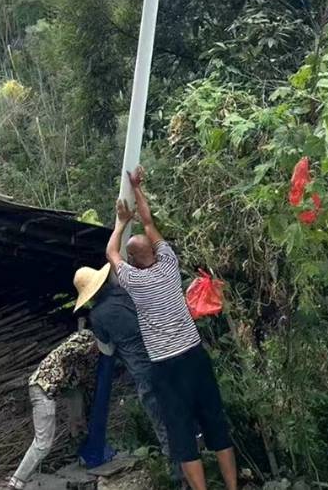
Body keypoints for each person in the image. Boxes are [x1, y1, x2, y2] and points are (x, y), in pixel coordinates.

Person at [106, 166, 237, 490]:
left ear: (134, 261)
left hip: (166, 367)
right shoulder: (168, 263)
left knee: (182, 436)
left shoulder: (134, 281)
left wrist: (121, 222)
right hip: (194, 357)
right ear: (154, 251)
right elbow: (150, 223)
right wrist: (137, 188)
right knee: (216, 425)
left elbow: (110, 252)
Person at [73, 263, 174, 474]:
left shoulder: (97, 315)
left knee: (162, 423)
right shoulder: (124, 293)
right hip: (166, 356)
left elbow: (107, 349)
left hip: (144, 371)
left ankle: (178, 474)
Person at [9, 327, 98, 490]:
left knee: (77, 410)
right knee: (43, 445)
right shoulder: (84, 338)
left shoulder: (86, 361)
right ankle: (16, 482)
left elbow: (80, 383)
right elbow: (68, 349)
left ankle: (78, 441)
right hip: (43, 389)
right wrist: (90, 346)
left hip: (55, 389)